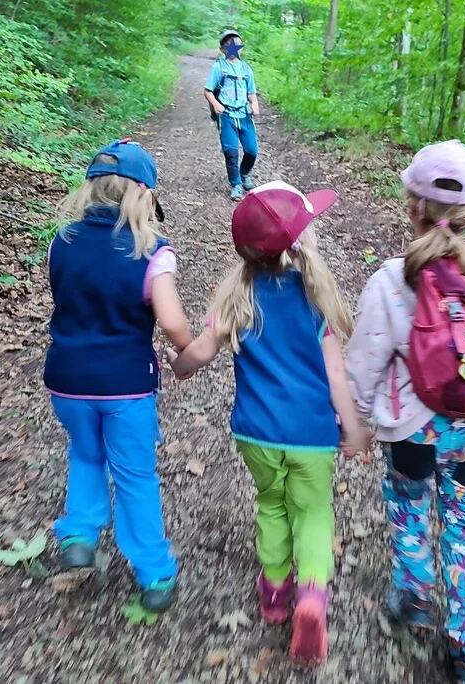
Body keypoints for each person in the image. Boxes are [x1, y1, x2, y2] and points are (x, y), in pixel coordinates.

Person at [168, 181, 365, 666]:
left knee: (272, 505)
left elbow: (199, 352)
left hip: (255, 432)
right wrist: (353, 427)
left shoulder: (237, 296)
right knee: (312, 512)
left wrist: (178, 366)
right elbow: (336, 375)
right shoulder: (315, 298)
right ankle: (312, 596)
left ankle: (275, 592)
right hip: (311, 435)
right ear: (301, 241)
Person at [346, 141, 465, 684]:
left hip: (412, 433)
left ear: (412, 206)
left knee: (409, 510)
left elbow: (366, 362)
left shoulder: (394, 279)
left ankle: (414, 595)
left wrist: (357, 421)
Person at [44, 138, 193, 613]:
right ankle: (153, 571)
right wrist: (188, 348)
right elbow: (171, 321)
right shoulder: (152, 250)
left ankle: (79, 534)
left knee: (86, 453)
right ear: (143, 195)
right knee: (135, 475)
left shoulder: (61, 242)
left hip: (67, 379)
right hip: (126, 386)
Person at [204, 29, 260, 201]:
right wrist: (216, 105)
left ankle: (244, 173)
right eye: (229, 44)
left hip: (244, 115)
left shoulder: (246, 69)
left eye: (237, 44)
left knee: (252, 150)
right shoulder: (218, 68)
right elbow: (208, 91)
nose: (233, 47)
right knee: (231, 152)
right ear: (222, 49)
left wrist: (254, 105)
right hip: (226, 115)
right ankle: (236, 184)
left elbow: (251, 93)